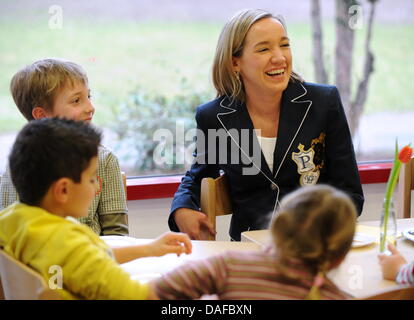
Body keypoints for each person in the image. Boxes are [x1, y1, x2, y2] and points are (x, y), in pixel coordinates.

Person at [169, 9, 364, 241]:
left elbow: (350, 193)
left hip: (314, 245)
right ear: (235, 63)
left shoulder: (323, 103)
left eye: (284, 45)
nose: (280, 57)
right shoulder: (215, 116)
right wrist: (181, 210)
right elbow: (198, 176)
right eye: (263, 49)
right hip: (249, 250)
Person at [0, 118, 192, 299]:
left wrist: (148, 249)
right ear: (63, 190)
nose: (97, 187)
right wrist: (201, 275)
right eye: (92, 178)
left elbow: (89, 261)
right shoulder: (68, 245)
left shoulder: (14, 220)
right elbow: (140, 295)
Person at [152, 184, 356, 300]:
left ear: (276, 228)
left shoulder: (228, 266)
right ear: (340, 258)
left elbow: (155, 293)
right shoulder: (332, 296)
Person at [0, 58, 128, 236]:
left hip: (93, 260)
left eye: (88, 97)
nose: (90, 107)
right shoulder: (17, 164)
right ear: (42, 115)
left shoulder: (104, 160)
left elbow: (117, 234)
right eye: (76, 100)